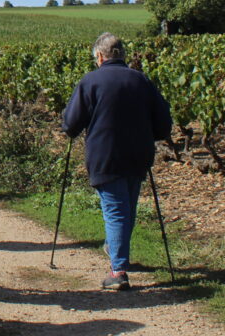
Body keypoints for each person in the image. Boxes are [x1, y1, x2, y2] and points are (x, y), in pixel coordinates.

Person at [61, 32, 172, 290]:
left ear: (99, 56)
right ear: (121, 55)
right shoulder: (141, 80)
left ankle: (118, 270)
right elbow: (164, 123)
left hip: (105, 155)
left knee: (115, 211)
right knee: (127, 208)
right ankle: (116, 252)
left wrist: (69, 127)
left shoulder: (91, 81)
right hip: (139, 153)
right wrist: (150, 135)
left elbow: (71, 124)